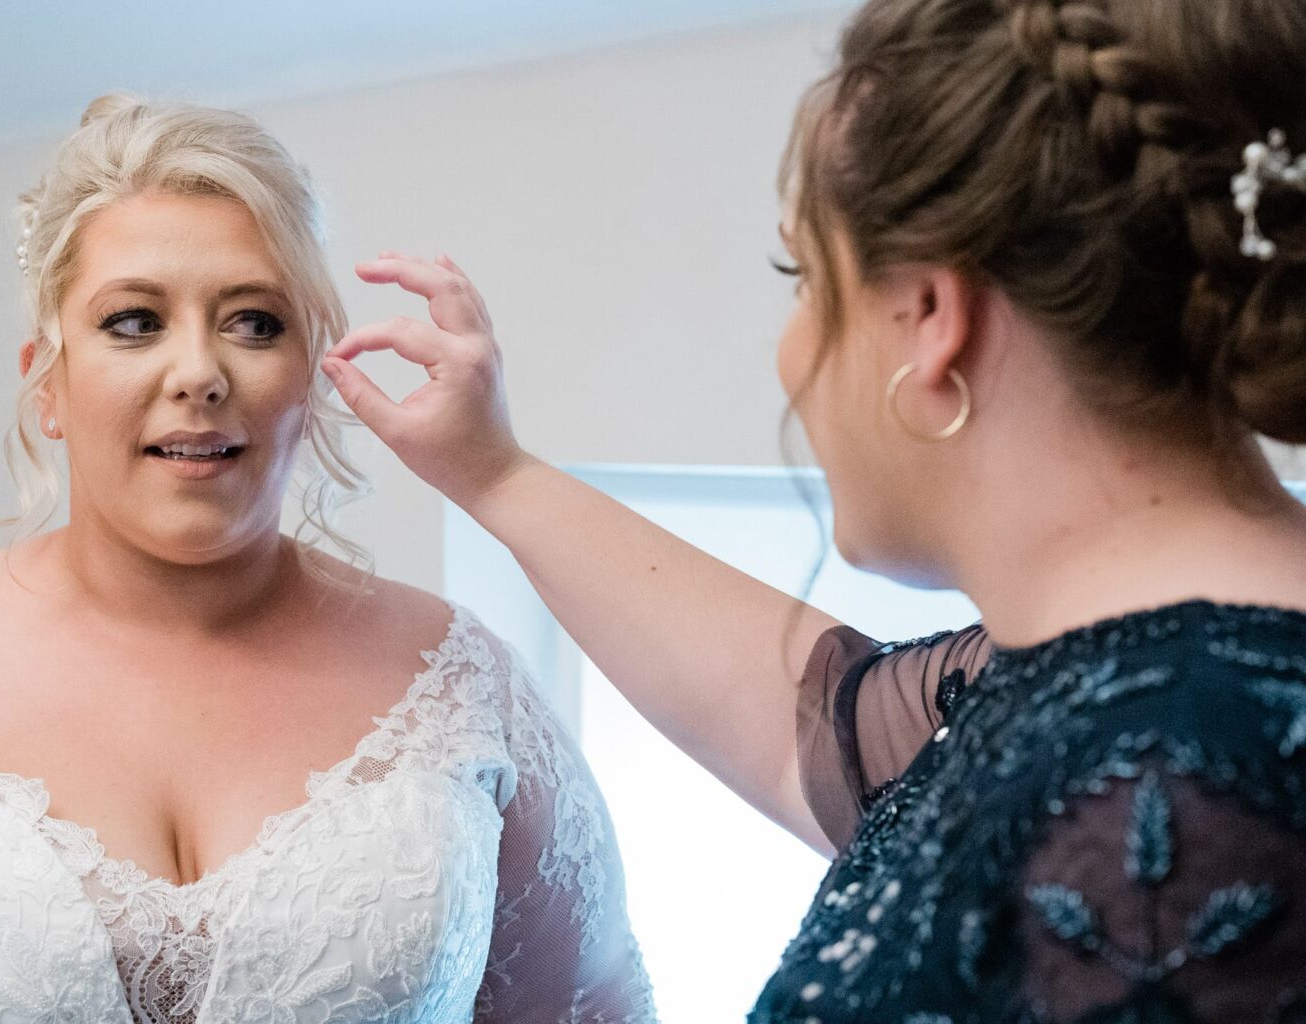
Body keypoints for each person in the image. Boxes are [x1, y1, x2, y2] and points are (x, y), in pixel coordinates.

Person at [318, 0, 1306, 1019]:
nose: (792, 350)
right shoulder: (1113, 680)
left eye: (804, 275)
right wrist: (495, 473)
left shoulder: (1178, 782)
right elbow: (822, 735)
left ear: (930, 317)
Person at [0, 93, 657, 1024]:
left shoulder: (467, 690)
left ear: (312, 378)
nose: (199, 371)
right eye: (133, 322)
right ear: (49, 384)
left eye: (254, 322)